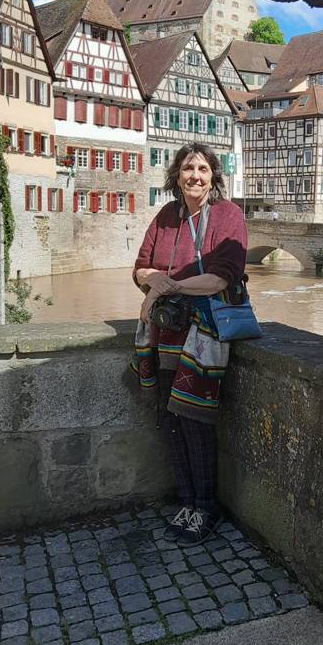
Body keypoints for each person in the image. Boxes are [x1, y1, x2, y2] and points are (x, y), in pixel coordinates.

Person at [131, 143, 247, 545]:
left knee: (195, 421)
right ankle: (187, 501)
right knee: (170, 420)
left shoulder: (228, 216)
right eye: (187, 168)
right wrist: (153, 280)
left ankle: (206, 507)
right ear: (176, 176)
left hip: (205, 334)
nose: (194, 176)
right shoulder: (167, 216)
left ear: (213, 176)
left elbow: (222, 277)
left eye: (202, 169)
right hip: (167, 334)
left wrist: (168, 286)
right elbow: (140, 267)